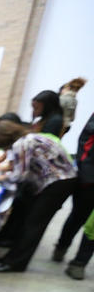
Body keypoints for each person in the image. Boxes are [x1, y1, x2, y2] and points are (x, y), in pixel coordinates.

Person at [0, 121, 77, 273]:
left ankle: (16, 263)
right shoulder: (30, 138)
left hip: (57, 183)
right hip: (59, 181)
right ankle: (11, 258)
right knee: (28, 222)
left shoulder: (22, 144)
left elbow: (20, 175)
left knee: (33, 225)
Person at [53, 111, 94, 278]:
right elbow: (86, 143)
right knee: (78, 216)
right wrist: (86, 173)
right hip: (90, 179)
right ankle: (62, 246)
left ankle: (79, 262)